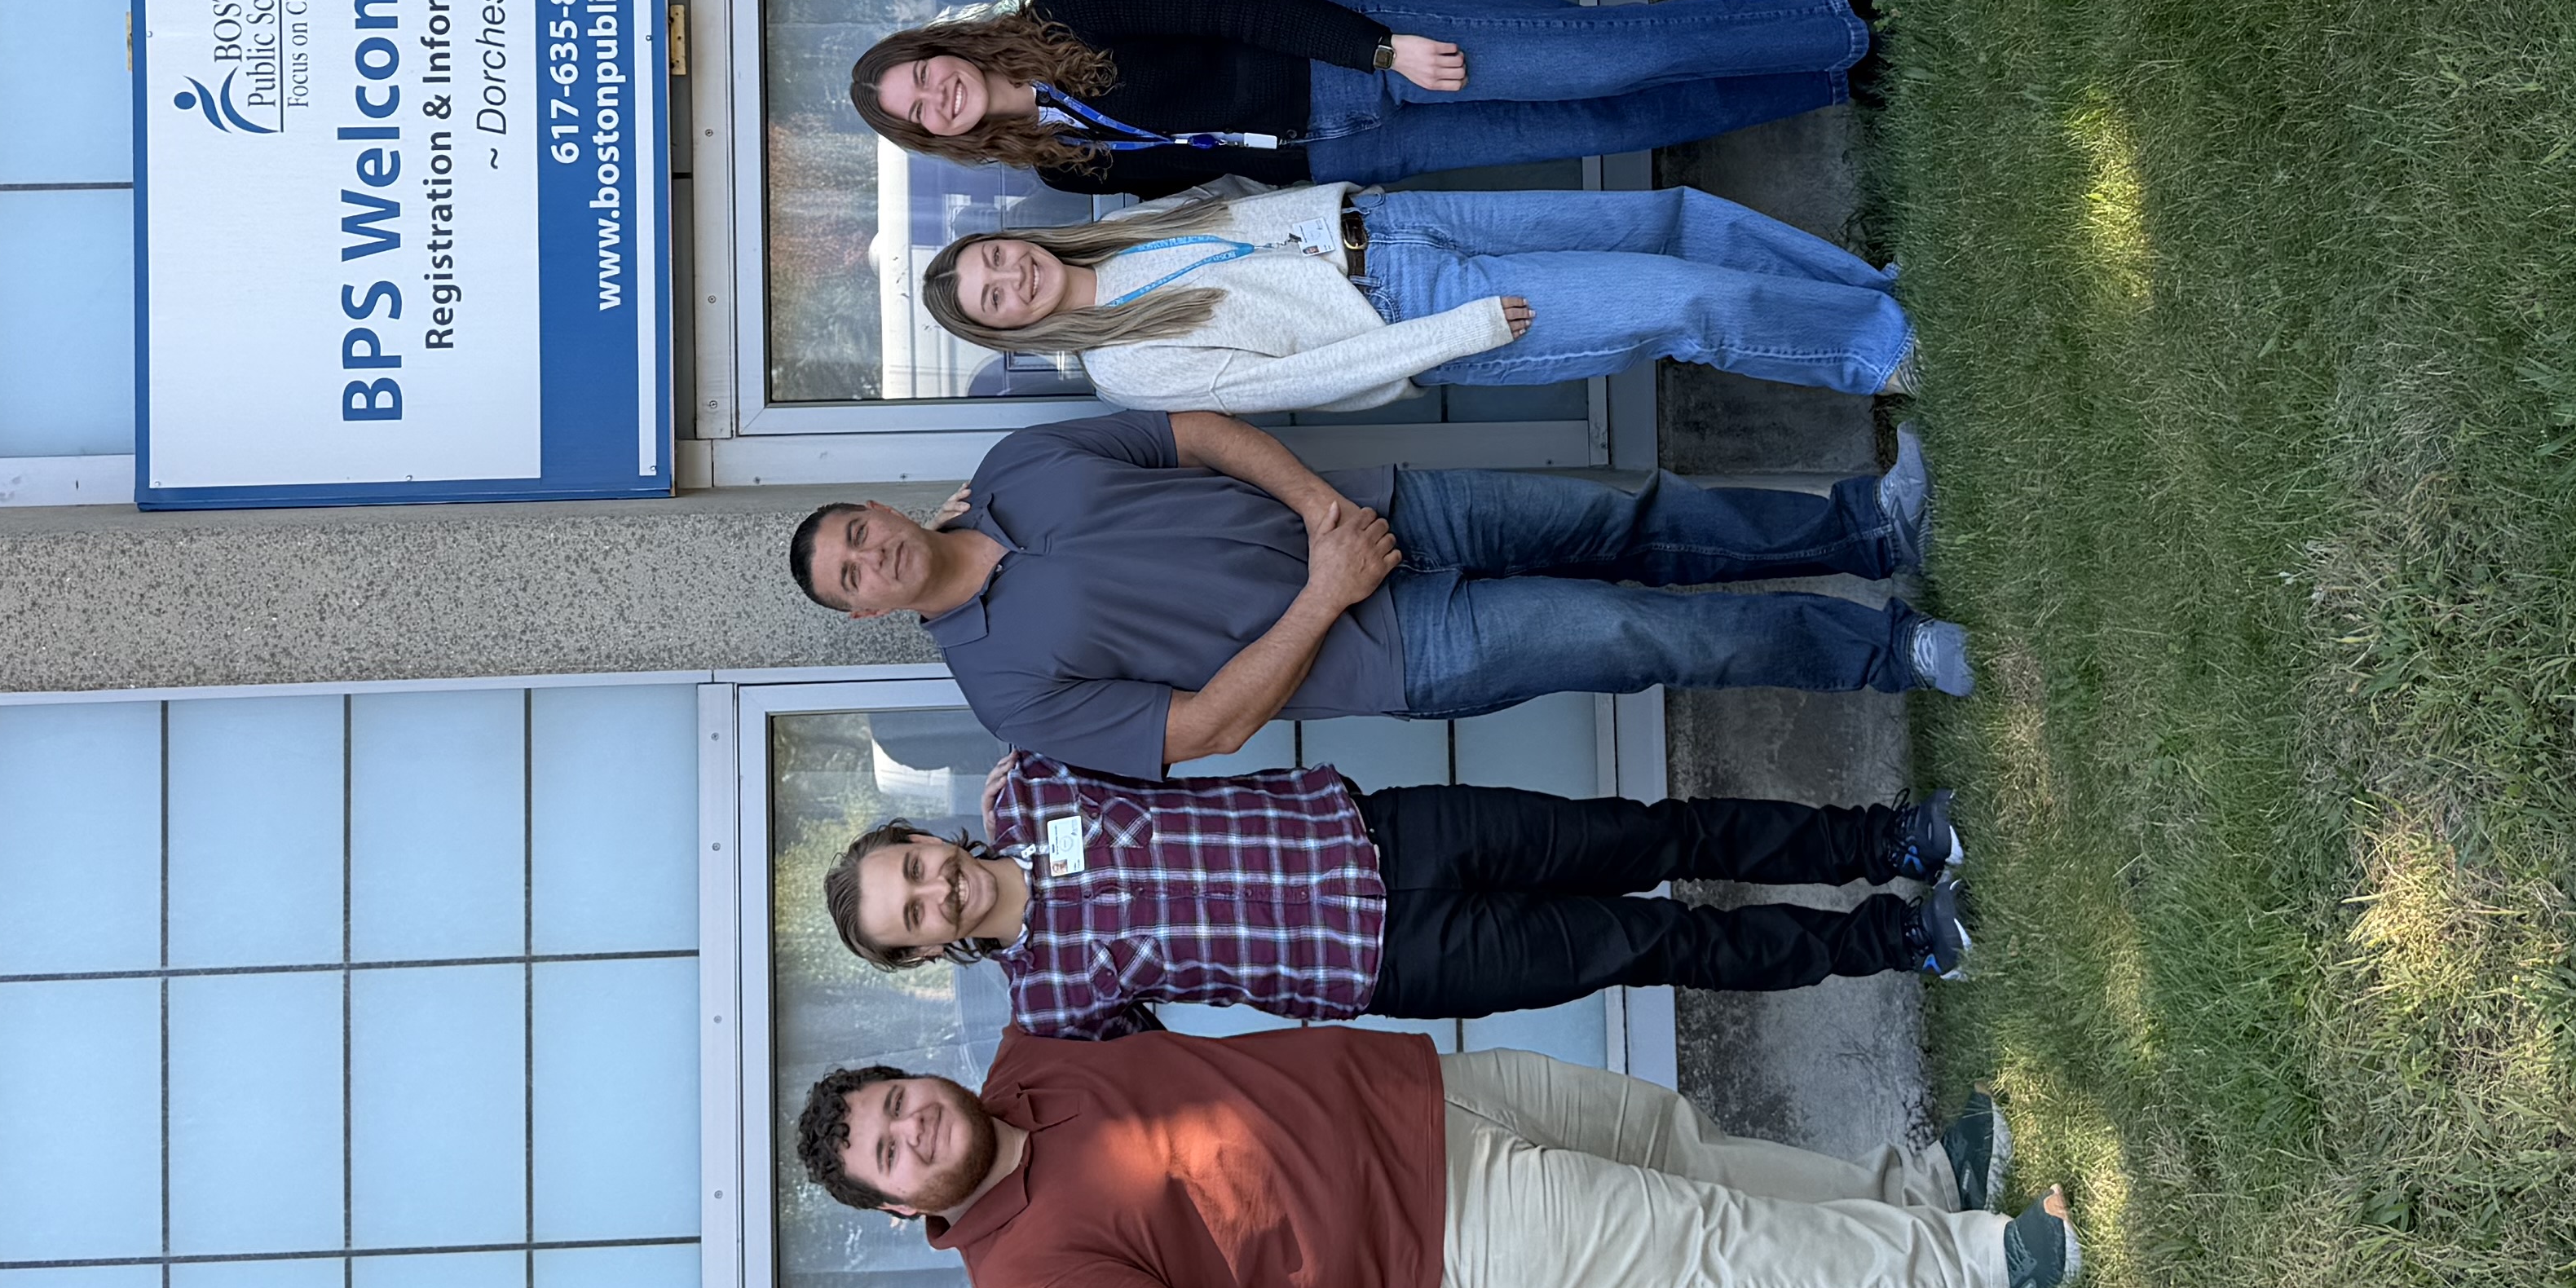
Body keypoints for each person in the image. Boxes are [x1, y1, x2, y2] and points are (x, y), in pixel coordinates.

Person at [793, 1027, 2080, 1288]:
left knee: (1684, 1154)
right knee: (1706, 1244)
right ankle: (1981, 1272)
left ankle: (1918, 1199)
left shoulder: (1029, 1066)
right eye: (886, 1156)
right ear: (902, 1207)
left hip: (1431, 1094)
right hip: (1445, 1250)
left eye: (893, 1105)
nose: (908, 1132)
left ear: (917, 1078)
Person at [784, 408, 1973, 775]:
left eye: (855, 531)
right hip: (1393, 646)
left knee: (1629, 515)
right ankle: (1887, 653)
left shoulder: (1014, 470)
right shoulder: (1004, 692)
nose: (867, 555)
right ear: (868, 614)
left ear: (882, 508)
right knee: (1638, 629)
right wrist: (1323, 593)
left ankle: (1865, 525)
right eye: (850, 578)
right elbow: (1205, 727)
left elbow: (1192, 433)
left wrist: (1318, 513)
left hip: (1374, 509)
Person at [827, 758, 1974, 1029]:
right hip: (1399, 961)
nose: (937, 891)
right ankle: (1901, 938)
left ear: (927, 836)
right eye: (914, 915)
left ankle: (1892, 839)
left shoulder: (1033, 782)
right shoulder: (1052, 1004)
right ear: (926, 955)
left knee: (1652, 830)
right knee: (1666, 941)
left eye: (915, 867)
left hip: (1389, 827)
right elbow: (1151, 1089)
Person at [849, 0, 1875, 201]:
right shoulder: (1060, 170)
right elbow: (1197, 180)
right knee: (1610, 117)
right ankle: (1827, 82)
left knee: (1610, 54)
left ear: (946, 51)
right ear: (934, 137)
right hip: (1346, 149)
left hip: (1350, 50)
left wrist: (1381, 49)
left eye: (924, 77)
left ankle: (1837, 24)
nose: (936, 98)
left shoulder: (1067, 9)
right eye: (919, 116)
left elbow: (1234, 7)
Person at [919, 180, 1914, 410]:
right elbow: (1304, 380)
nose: (1011, 278)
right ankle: (1885, 355)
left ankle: (1867, 293)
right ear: (1015, 328)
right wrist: (1458, 334)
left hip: (1401, 222)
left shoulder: (1122, 226)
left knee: (1666, 217)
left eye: (994, 260)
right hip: (1426, 313)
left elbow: (1264, 216)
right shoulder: (1126, 368)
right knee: (1679, 304)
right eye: (995, 300)